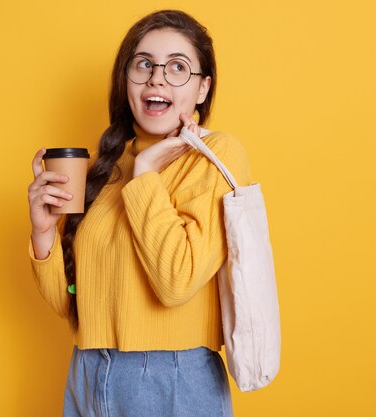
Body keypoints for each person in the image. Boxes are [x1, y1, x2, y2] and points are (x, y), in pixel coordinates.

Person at [27, 10, 251, 416]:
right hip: (87, 372)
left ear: (203, 88)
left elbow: (176, 282)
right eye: (143, 64)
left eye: (177, 67)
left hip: (172, 380)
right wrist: (44, 234)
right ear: (125, 80)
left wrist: (146, 174)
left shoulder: (216, 156)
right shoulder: (106, 165)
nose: (157, 78)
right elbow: (76, 305)